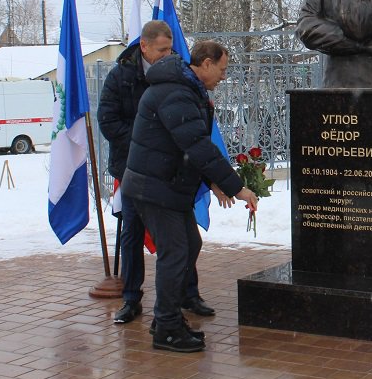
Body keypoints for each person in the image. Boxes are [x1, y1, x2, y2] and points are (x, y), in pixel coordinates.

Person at [121, 40, 261, 353]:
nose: (224, 76)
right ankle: (167, 329)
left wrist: (213, 181)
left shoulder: (186, 89)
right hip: (154, 188)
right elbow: (196, 145)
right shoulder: (176, 92)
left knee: (188, 246)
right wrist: (237, 187)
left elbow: (188, 146)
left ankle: (167, 318)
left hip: (167, 186)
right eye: (222, 69)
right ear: (206, 63)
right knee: (175, 252)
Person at [98, 21, 216, 325]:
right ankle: (131, 298)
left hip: (171, 173)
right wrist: (147, 137)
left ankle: (188, 293)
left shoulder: (175, 76)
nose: (166, 55)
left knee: (182, 238)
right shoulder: (121, 76)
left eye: (170, 49)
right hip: (131, 167)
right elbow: (108, 122)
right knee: (132, 233)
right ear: (144, 47)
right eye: (161, 50)